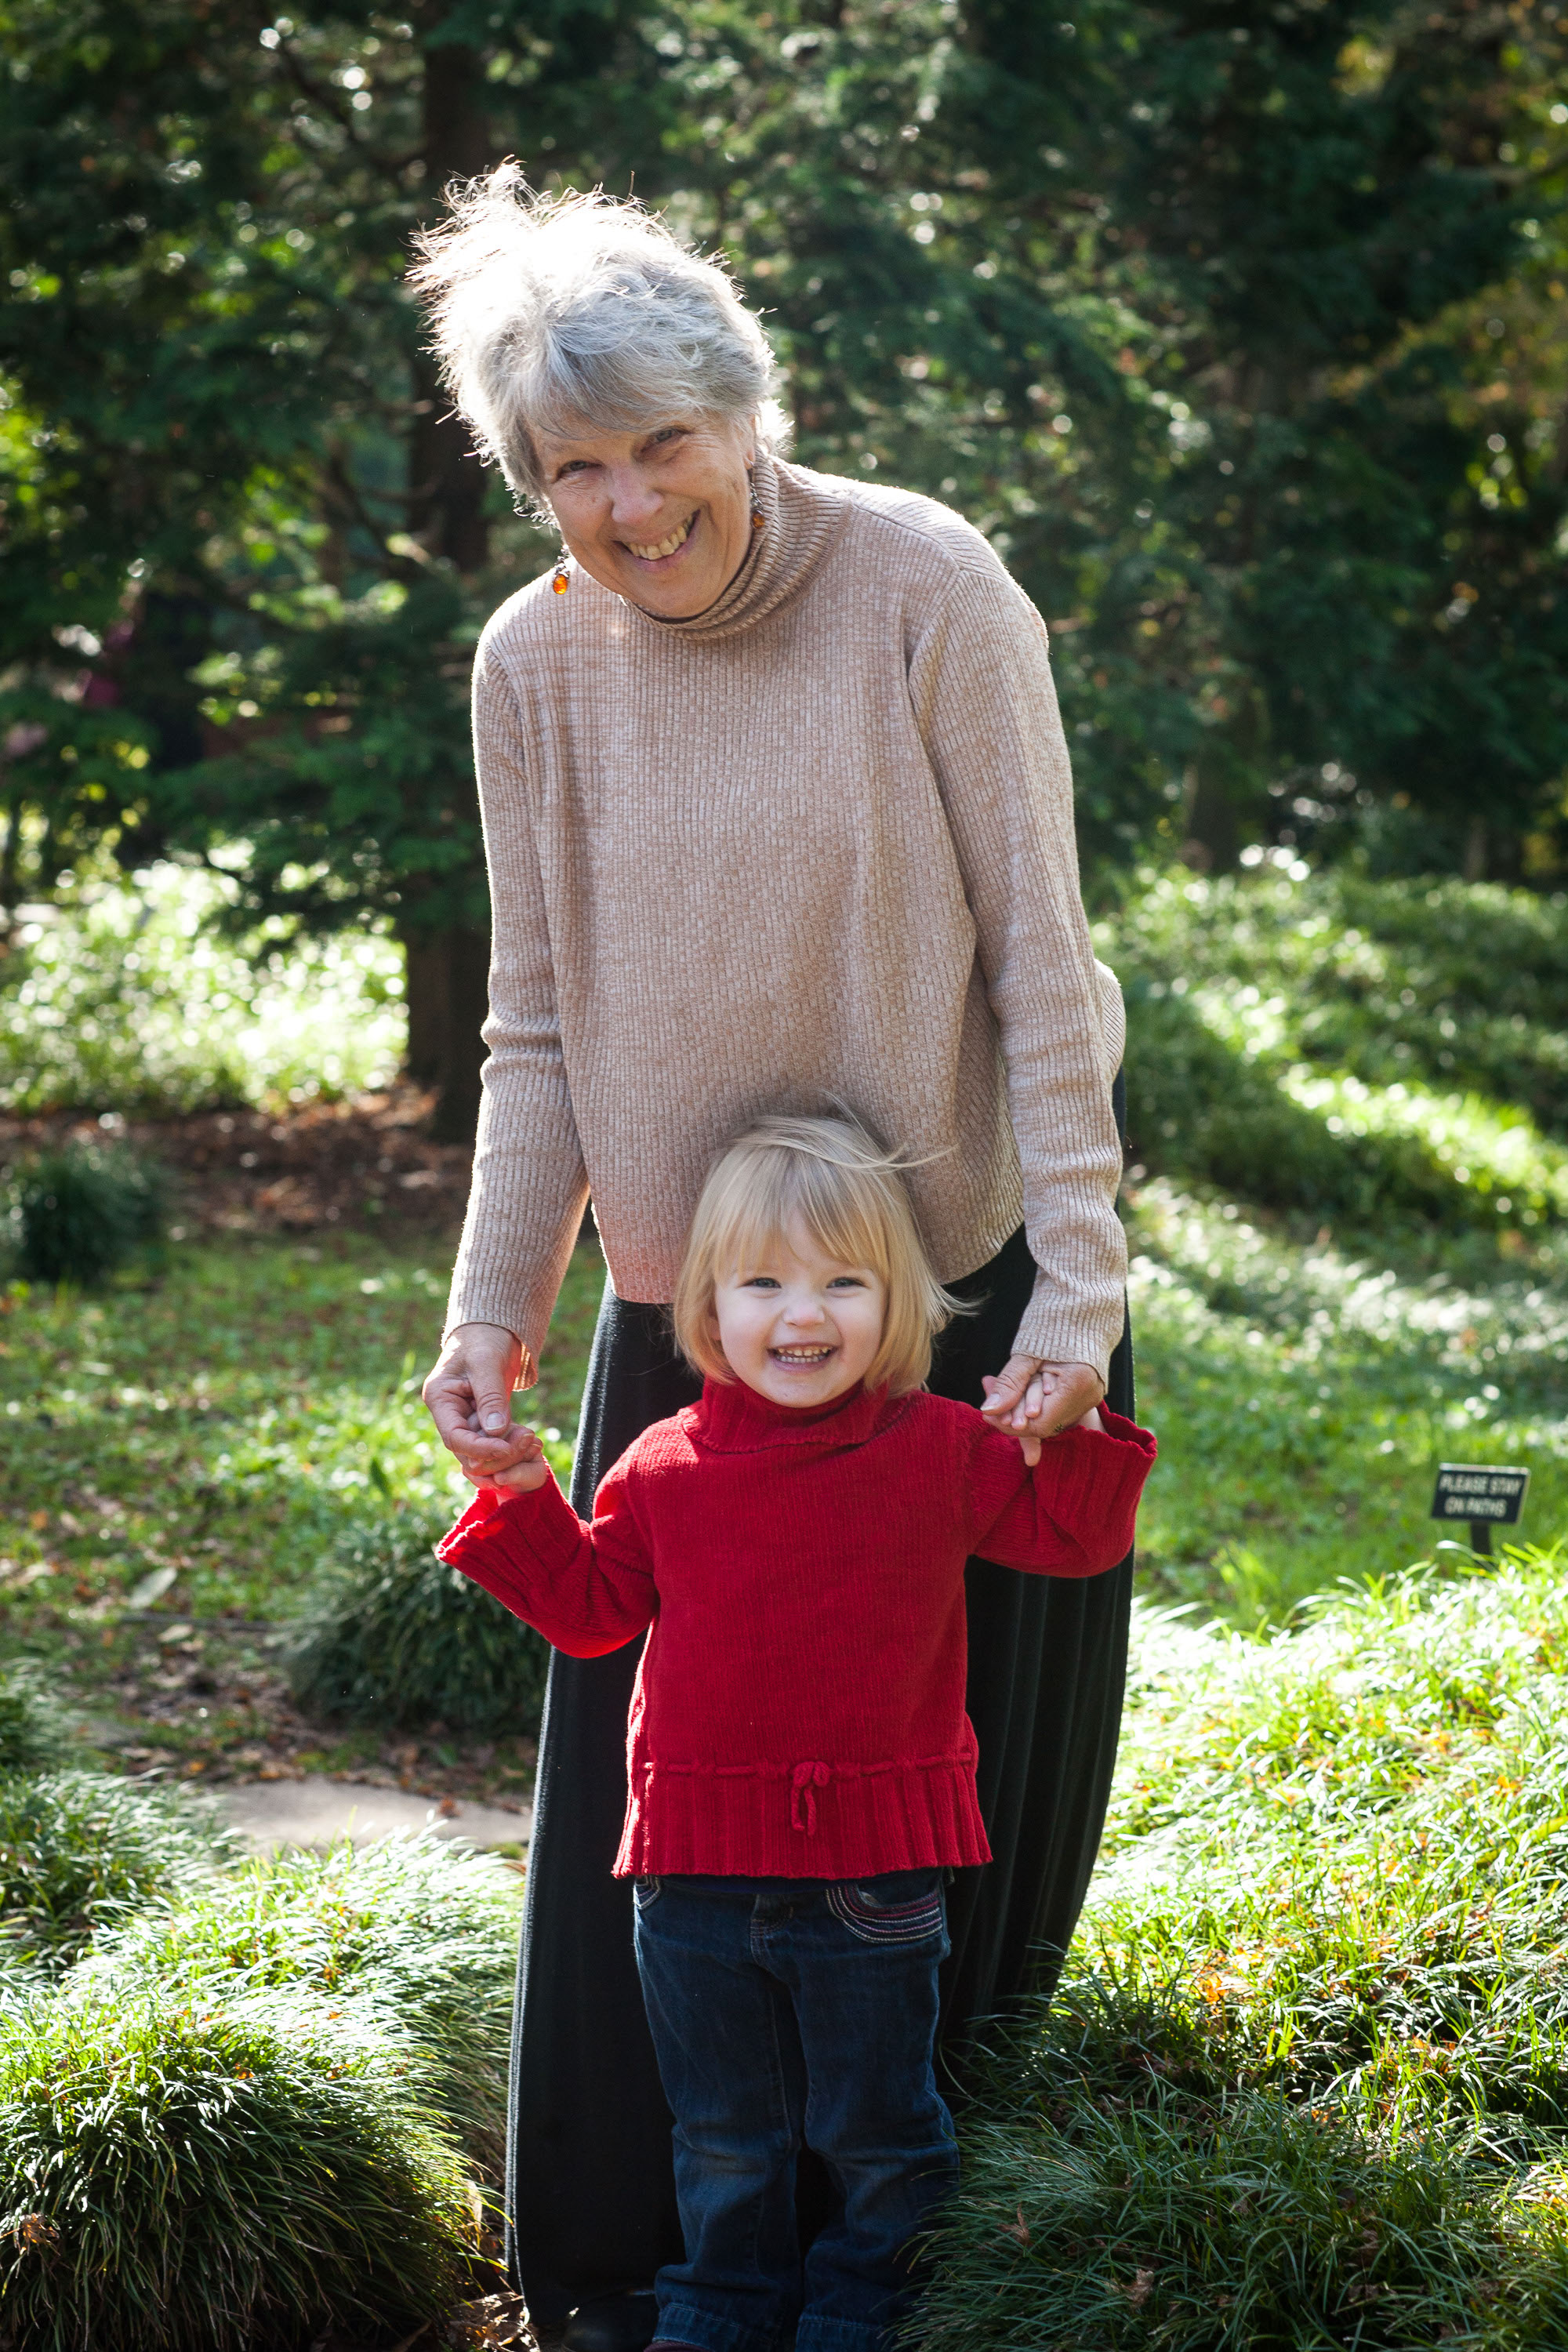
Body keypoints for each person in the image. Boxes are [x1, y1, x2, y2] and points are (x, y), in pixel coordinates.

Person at [412, 170, 1136, 2350]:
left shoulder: (924, 582)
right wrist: (492, 1296)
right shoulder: (532, 662)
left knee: (930, 1830)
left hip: (949, 1311)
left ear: (747, 406)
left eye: (662, 447)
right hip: (691, 1330)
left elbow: (1043, 960)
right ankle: (648, 2269)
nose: (630, 508)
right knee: (673, 1831)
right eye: (573, 470)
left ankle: (930, 2256)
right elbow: (533, 1016)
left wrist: (1085, 1284)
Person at [439, 1116, 1155, 2352]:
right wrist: (514, 1494)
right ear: (708, 1307)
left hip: (875, 1877)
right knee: (723, 2134)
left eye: (843, 1281)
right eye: (762, 1282)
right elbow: (595, 1615)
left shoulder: (936, 1447)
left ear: (900, 1303)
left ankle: (863, 2312)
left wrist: (1079, 1429)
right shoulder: (662, 1467)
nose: (801, 1314)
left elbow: (1075, 1542)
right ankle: (721, 2308)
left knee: (881, 2134)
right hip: (692, 1879)